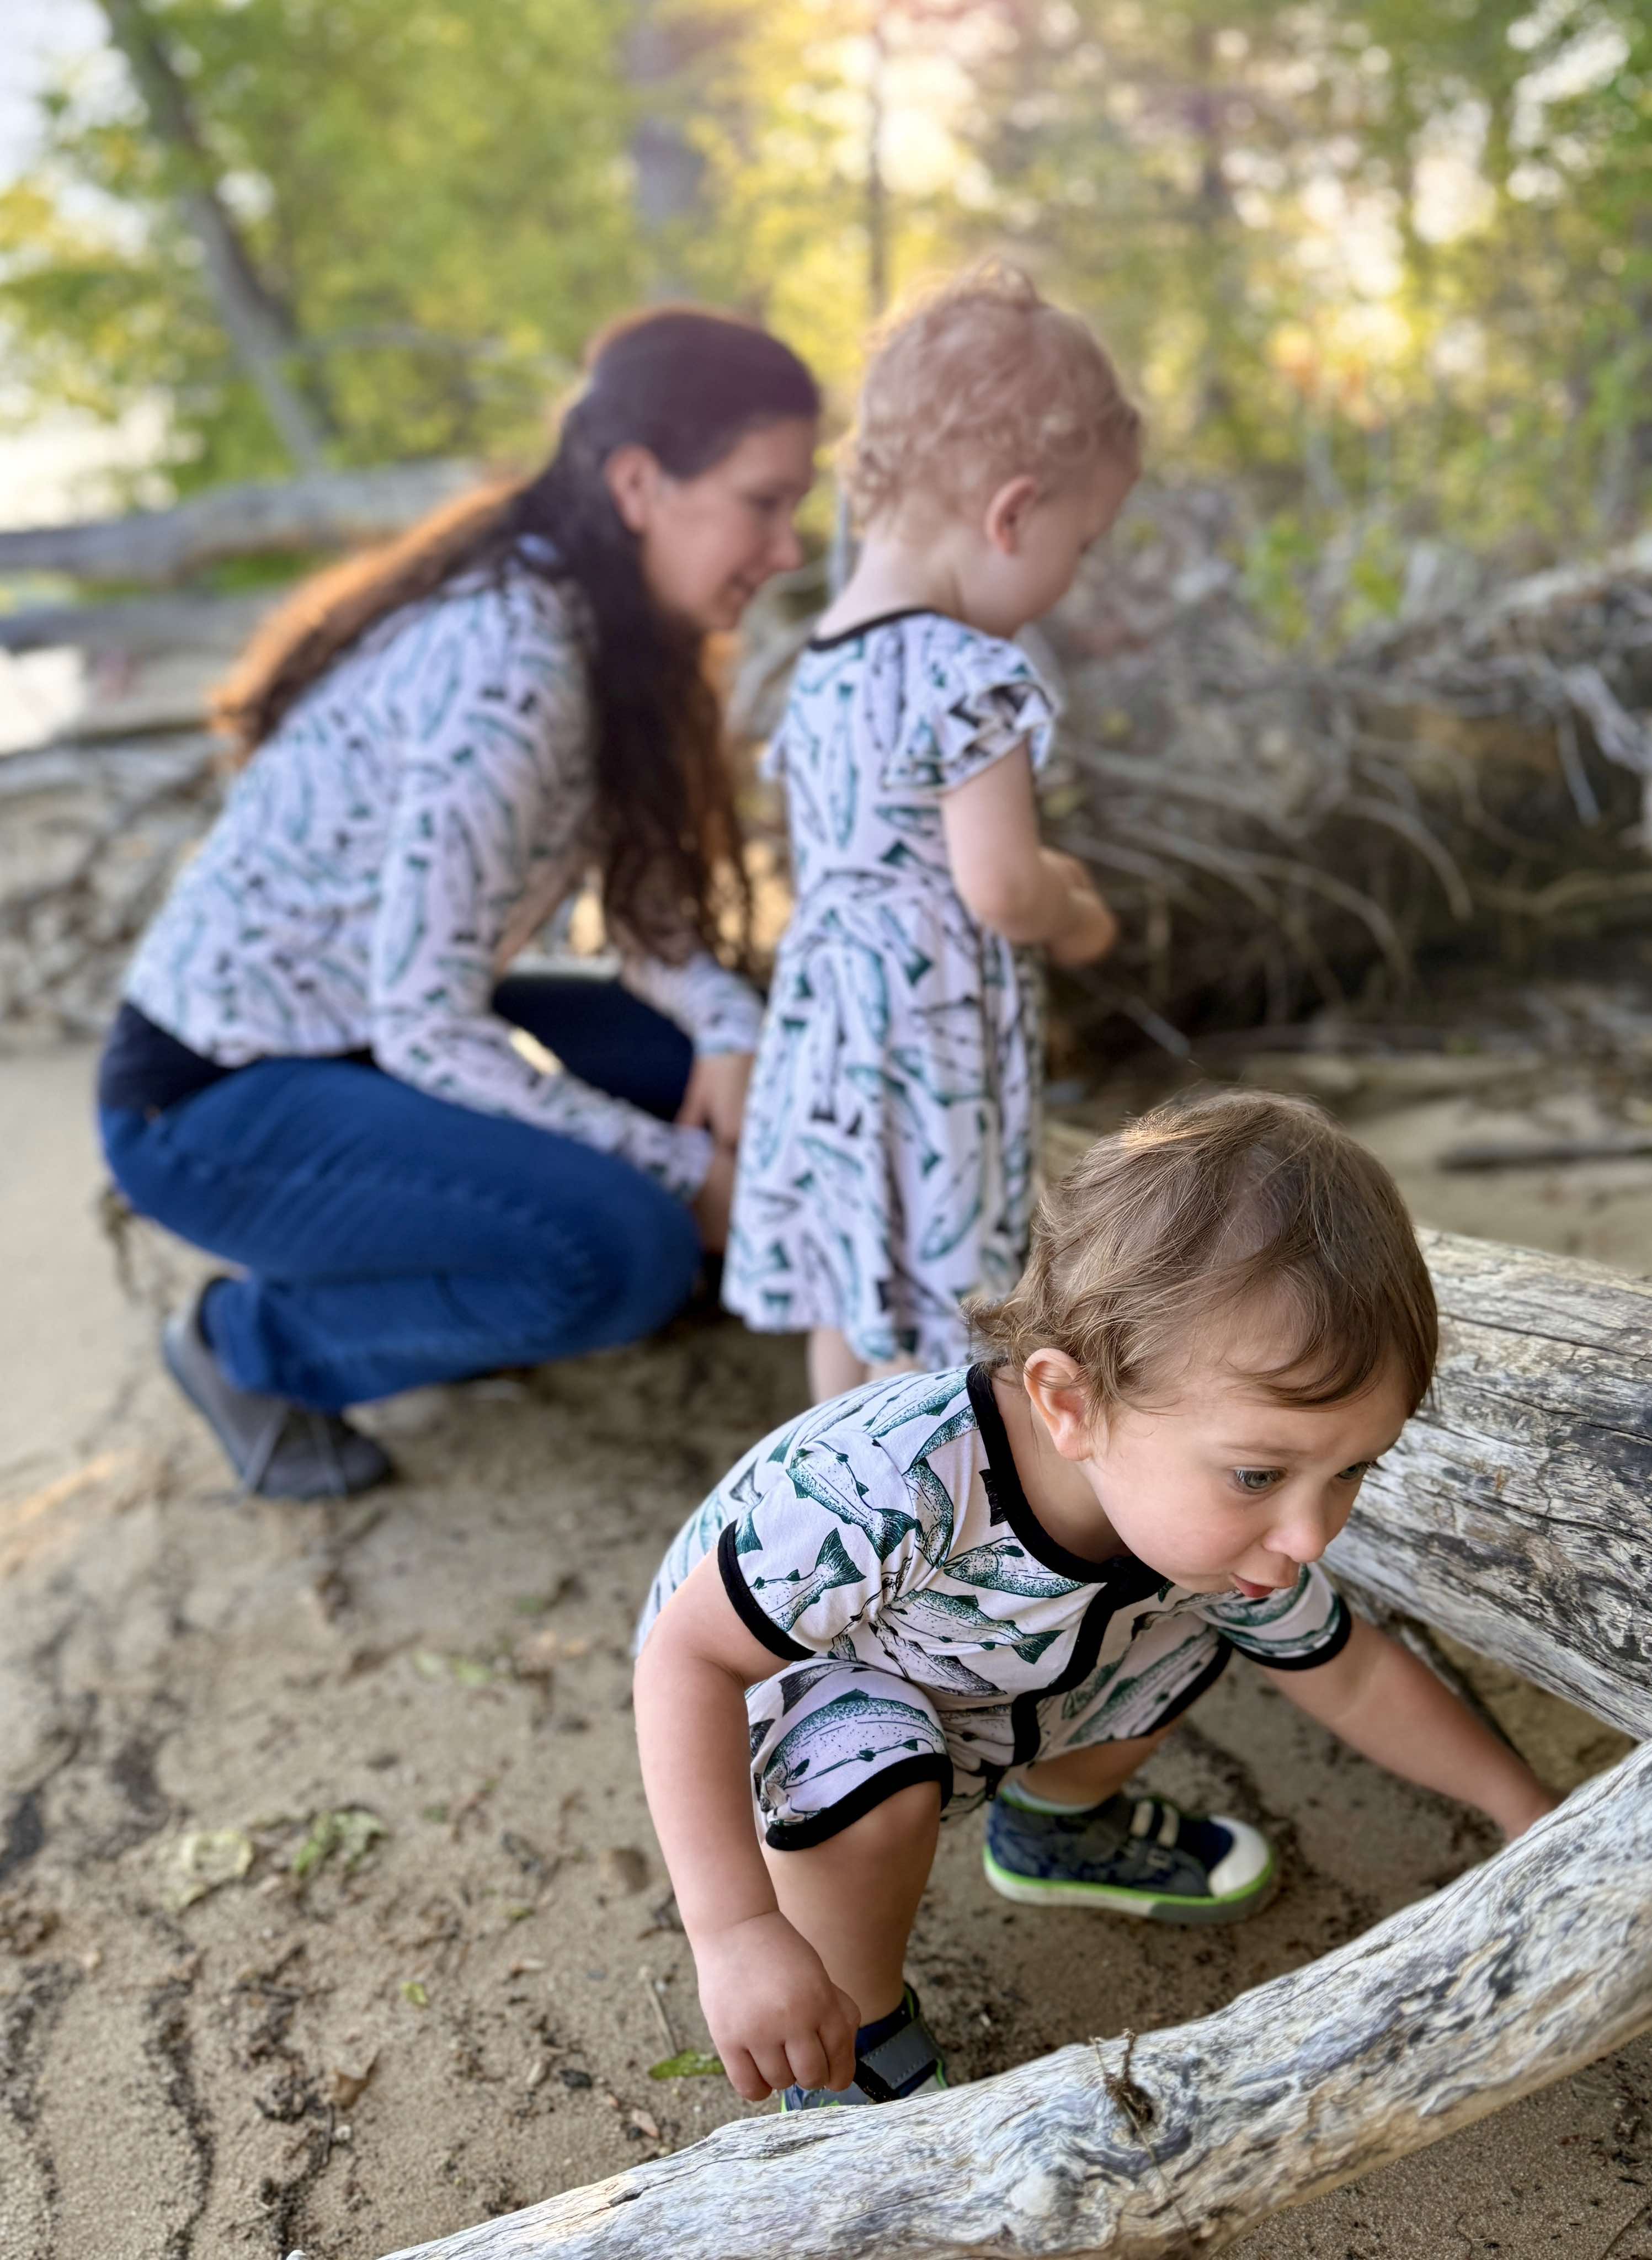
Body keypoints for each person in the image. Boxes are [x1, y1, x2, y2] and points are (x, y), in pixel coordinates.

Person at [634, 1089, 1558, 2112]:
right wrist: (735, 1932)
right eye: (1259, 1474)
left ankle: (1049, 1829)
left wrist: (1524, 1811)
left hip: (987, 1683)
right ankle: (853, 2026)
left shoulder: (1194, 1522)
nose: (1310, 1532)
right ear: (1069, 1403)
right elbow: (689, 1661)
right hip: (783, 1697)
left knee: (1205, 1618)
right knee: (876, 1760)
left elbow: (1353, 1674)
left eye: (1352, 1471)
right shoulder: (893, 1483)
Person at [97, 307, 819, 1499]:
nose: (789, 546)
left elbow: (635, 899)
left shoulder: (607, 630)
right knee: (623, 1249)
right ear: (642, 482)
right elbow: (430, 1023)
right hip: (213, 1101)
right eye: (763, 501)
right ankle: (251, 1346)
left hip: (366, 1038)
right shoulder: (512, 664)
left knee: (728, 1059)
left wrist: (730, 1033)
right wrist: (687, 1178)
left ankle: (497, 1254)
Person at [721, 266, 1131, 1404]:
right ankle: (934, 1513)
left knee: (861, 1281)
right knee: (946, 1301)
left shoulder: (826, 663)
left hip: (835, 1023)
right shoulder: (970, 673)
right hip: (930, 1039)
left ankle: (832, 1481)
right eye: (1081, 542)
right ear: (1012, 514)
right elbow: (998, 885)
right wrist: (1075, 905)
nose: (1073, 575)